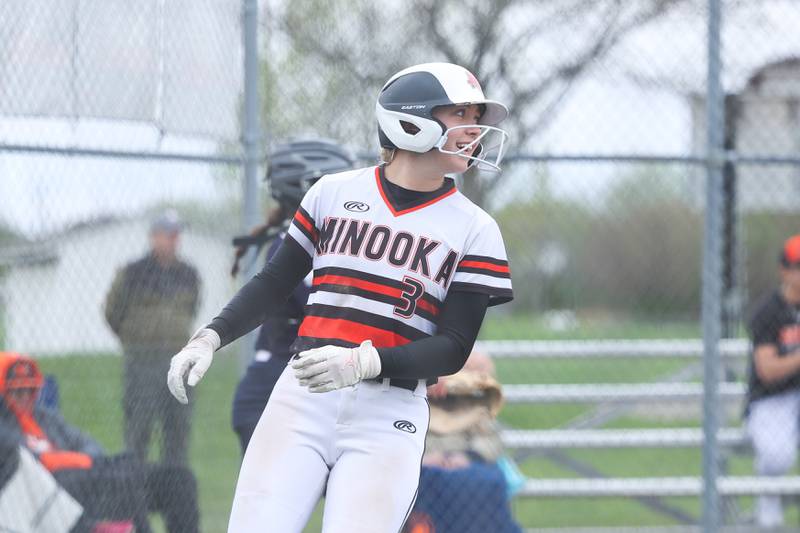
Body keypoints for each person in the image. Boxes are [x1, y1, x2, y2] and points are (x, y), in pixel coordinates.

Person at [168, 61, 514, 533]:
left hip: (390, 413)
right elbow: (274, 283)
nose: (473, 129)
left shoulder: (476, 229)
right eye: (460, 113)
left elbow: (453, 346)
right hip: (301, 396)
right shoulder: (332, 192)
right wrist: (209, 337)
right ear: (410, 119)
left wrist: (365, 363)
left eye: (476, 115)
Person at [231, 138, 355, 455]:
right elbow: (338, 308)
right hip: (273, 391)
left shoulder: (327, 239)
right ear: (309, 188)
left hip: (301, 387)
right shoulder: (296, 243)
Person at [0, 351, 199, 533]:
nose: (25, 397)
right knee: (125, 482)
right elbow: (29, 462)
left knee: (180, 478)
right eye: (17, 392)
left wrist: (82, 462)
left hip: (94, 475)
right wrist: (77, 461)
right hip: (59, 489)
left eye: (30, 390)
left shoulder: (44, 418)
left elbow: (88, 444)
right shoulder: (4, 429)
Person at [104, 209, 200, 467]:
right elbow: (112, 312)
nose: (173, 240)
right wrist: (135, 340)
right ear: (154, 237)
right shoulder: (133, 273)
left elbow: (191, 310)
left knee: (177, 431)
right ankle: (135, 497)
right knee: (139, 429)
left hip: (180, 361)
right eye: (168, 234)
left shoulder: (189, 274)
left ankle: (174, 496)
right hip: (143, 361)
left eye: (176, 235)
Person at [405, 351, 522, 533]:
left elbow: (491, 443)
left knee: (484, 481)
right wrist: (426, 458)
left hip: (466, 469)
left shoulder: (477, 410)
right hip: (424, 467)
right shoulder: (414, 405)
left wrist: (467, 456)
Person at [744, 234, 800, 528]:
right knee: (777, 458)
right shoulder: (768, 310)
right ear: (784, 271)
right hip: (771, 398)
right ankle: (769, 499)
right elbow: (767, 369)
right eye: (798, 266)